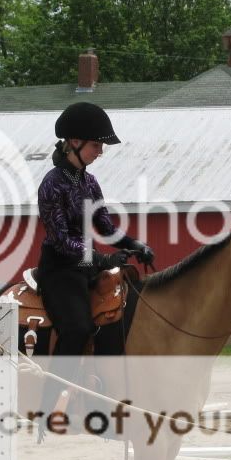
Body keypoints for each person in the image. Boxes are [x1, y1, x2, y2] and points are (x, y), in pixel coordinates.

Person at [35, 102, 153, 430]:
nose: (101, 151)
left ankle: (100, 398)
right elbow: (61, 241)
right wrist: (101, 260)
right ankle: (47, 409)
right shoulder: (51, 184)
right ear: (74, 142)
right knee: (78, 329)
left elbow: (105, 226)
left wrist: (133, 245)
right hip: (60, 270)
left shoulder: (90, 184)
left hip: (86, 267)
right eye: (96, 144)